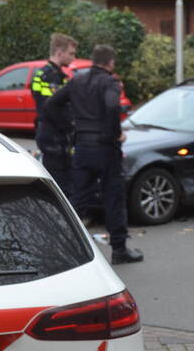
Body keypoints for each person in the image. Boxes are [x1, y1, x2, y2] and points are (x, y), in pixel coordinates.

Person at [45, 44, 143, 264]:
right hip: (106, 149)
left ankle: (64, 249)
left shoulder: (77, 80)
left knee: (79, 199)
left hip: (82, 148)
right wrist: (115, 134)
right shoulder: (110, 82)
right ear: (110, 63)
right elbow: (111, 107)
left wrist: (71, 125)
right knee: (113, 199)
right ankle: (119, 249)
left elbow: (52, 105)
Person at [31, 33, 78, 195]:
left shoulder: (49, 74)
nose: (74, 58)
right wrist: (71, 124)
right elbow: (51, 108)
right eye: (71, 54)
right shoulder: (51, 77)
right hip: (54, 137)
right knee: (62, 186)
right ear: (59, 53)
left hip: (52, 136)